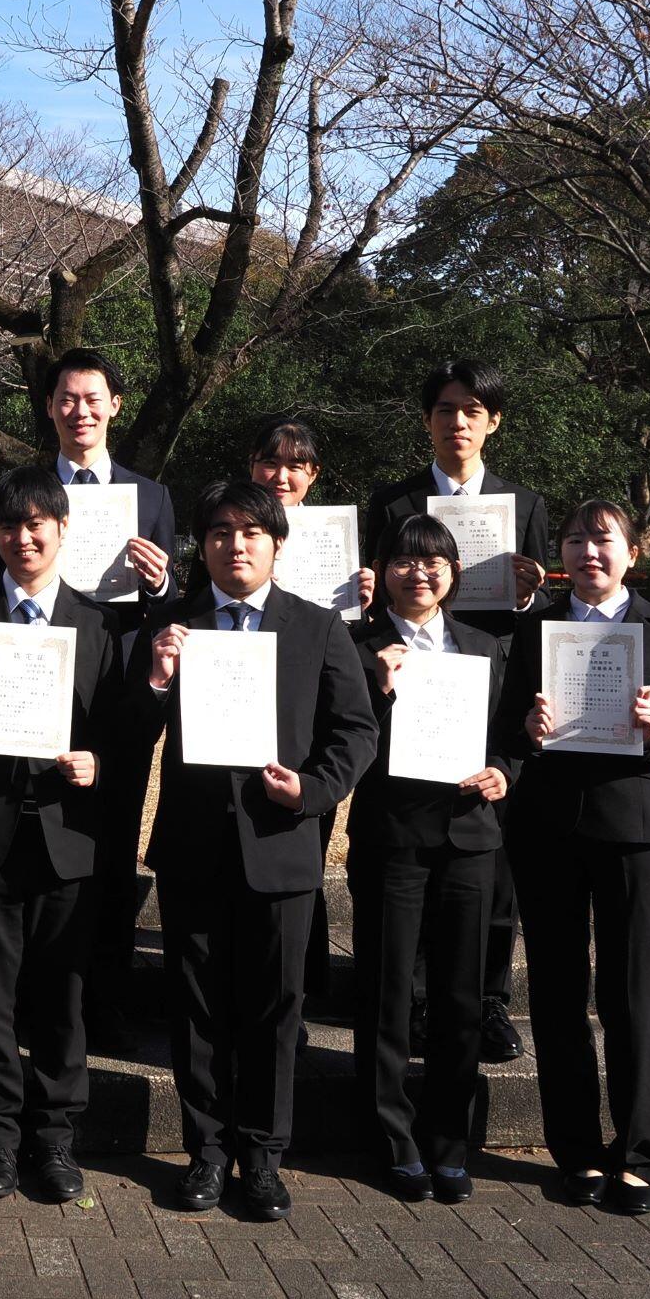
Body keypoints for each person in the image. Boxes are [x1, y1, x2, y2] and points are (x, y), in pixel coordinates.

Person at [130, 481, 377, 1223]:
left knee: (274, 1010)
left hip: (281, 846)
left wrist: (310, 790)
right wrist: (155, 677)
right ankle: (205, 1151)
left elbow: (356, 731)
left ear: (276, 543)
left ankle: (264, 1156)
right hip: (195, 848)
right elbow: (129, 728)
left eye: (249, 533)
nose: (234, 544)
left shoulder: (318, 627)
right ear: (200, 545)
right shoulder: (176, 624)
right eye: (219, 532)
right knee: (198, 1009)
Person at [500, 499, 650, 1217]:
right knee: (557, 996)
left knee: (633, 997)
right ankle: (579, 1152)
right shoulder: (534, 631)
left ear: (631, 552)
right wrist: (526, 729)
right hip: (547, 832)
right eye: (577, 539)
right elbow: (504, 726)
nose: (590, 551)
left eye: (604, 539)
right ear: (561, 551)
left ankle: (641, 1155)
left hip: (633, 834)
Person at [0, 466, 117, 1204]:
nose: (24, 536)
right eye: (9, 525)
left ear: (63, 530)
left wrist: (96, 760)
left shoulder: (98, 623)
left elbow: (121, 729)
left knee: (60, 997)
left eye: (38, 523)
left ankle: (56, 1140)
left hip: (67, 833)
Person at [368, 360, 551, 1065]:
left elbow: (534, 610)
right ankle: (414, 999)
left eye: (473, 410)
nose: (458, 423)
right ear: (427, 420)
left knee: (489, 851)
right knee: (414, 838)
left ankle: (489, 1000)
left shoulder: (523, 504)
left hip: (490, 684)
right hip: (412, 681)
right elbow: (373, 600)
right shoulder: (394, 502)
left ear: (492, 421)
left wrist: (530, 593)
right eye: (445, 409)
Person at [347, 515, 512, 1205]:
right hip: (393, 838)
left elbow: (513, 735)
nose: (422, 573)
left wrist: (505, 770)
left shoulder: (485, 646)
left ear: (453, 573)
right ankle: (392, 1140)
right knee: (387, 994)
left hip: (471, 839)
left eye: (435, 562)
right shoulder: (355, 644)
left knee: (458, 999)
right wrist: (376, 688)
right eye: (407, 562)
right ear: (383, 571)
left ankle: (450, 1142)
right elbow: (338, 739)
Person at [38, 347, 176, 1053]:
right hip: (45, 687)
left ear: (115, 406)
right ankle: (43, 994)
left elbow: (170, 607)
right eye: (67, 398)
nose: (80, 410)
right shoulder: (26, 486)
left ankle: (106, 997)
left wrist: (156, 585)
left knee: (115, 845)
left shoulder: (148, 496)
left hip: (120, 694)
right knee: (41, 838)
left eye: (93, 398)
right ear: (51, 406)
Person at [246, 416, 376, 1015]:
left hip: (309, 714)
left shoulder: (337, 543)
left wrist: (369, 605)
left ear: (313, 475)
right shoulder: (233, 533)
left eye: (296, 465)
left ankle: (303, 978)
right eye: (271, 462)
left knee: (305, 844)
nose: (281, 475)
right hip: (241, 714)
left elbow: (354, 655)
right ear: (253, 467)